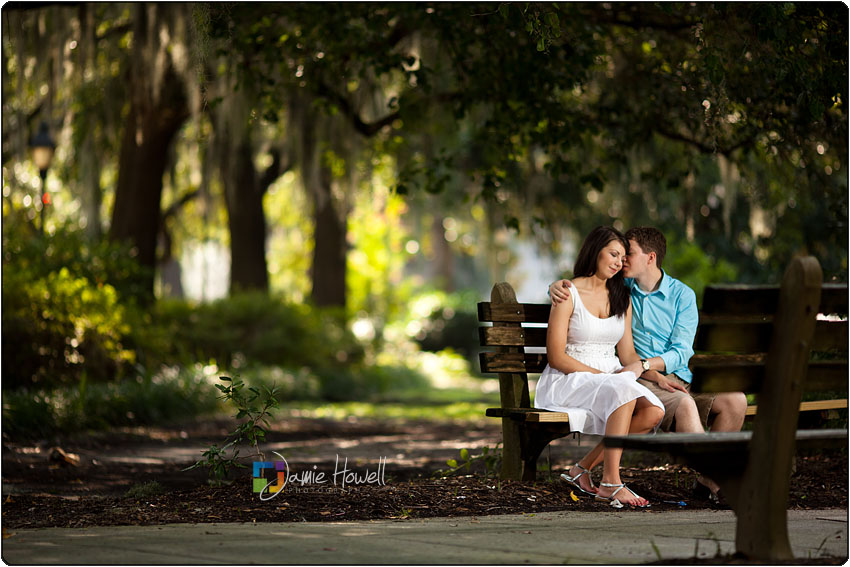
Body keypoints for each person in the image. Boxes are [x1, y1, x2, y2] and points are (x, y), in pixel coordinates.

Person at [548, 226, 747, 500]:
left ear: (650, 258)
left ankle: (705, 480)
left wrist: (649, 368)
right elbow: (587, 285)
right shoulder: (622, 287)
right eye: (618, 255)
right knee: (685, 405)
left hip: (673, 374)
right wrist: (557, 285)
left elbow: (681, 351)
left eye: (627, 254)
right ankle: (721, 485)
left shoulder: (681, 295)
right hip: (634, 377)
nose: (622, 261)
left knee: (736, 401)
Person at [535, 225, 665, 508]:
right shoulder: (568, 293)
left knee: (653, 411)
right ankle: (610, 483)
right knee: (622, 388)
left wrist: (653, 374)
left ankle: (581, 469)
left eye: (623, 258)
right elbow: (556, 357)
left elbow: (627, 353)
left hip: (610, 379)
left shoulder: (622, 297)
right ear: (595, 252)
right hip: (568, 378)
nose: (619, 263)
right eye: (613, 254)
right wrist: (604, 376)